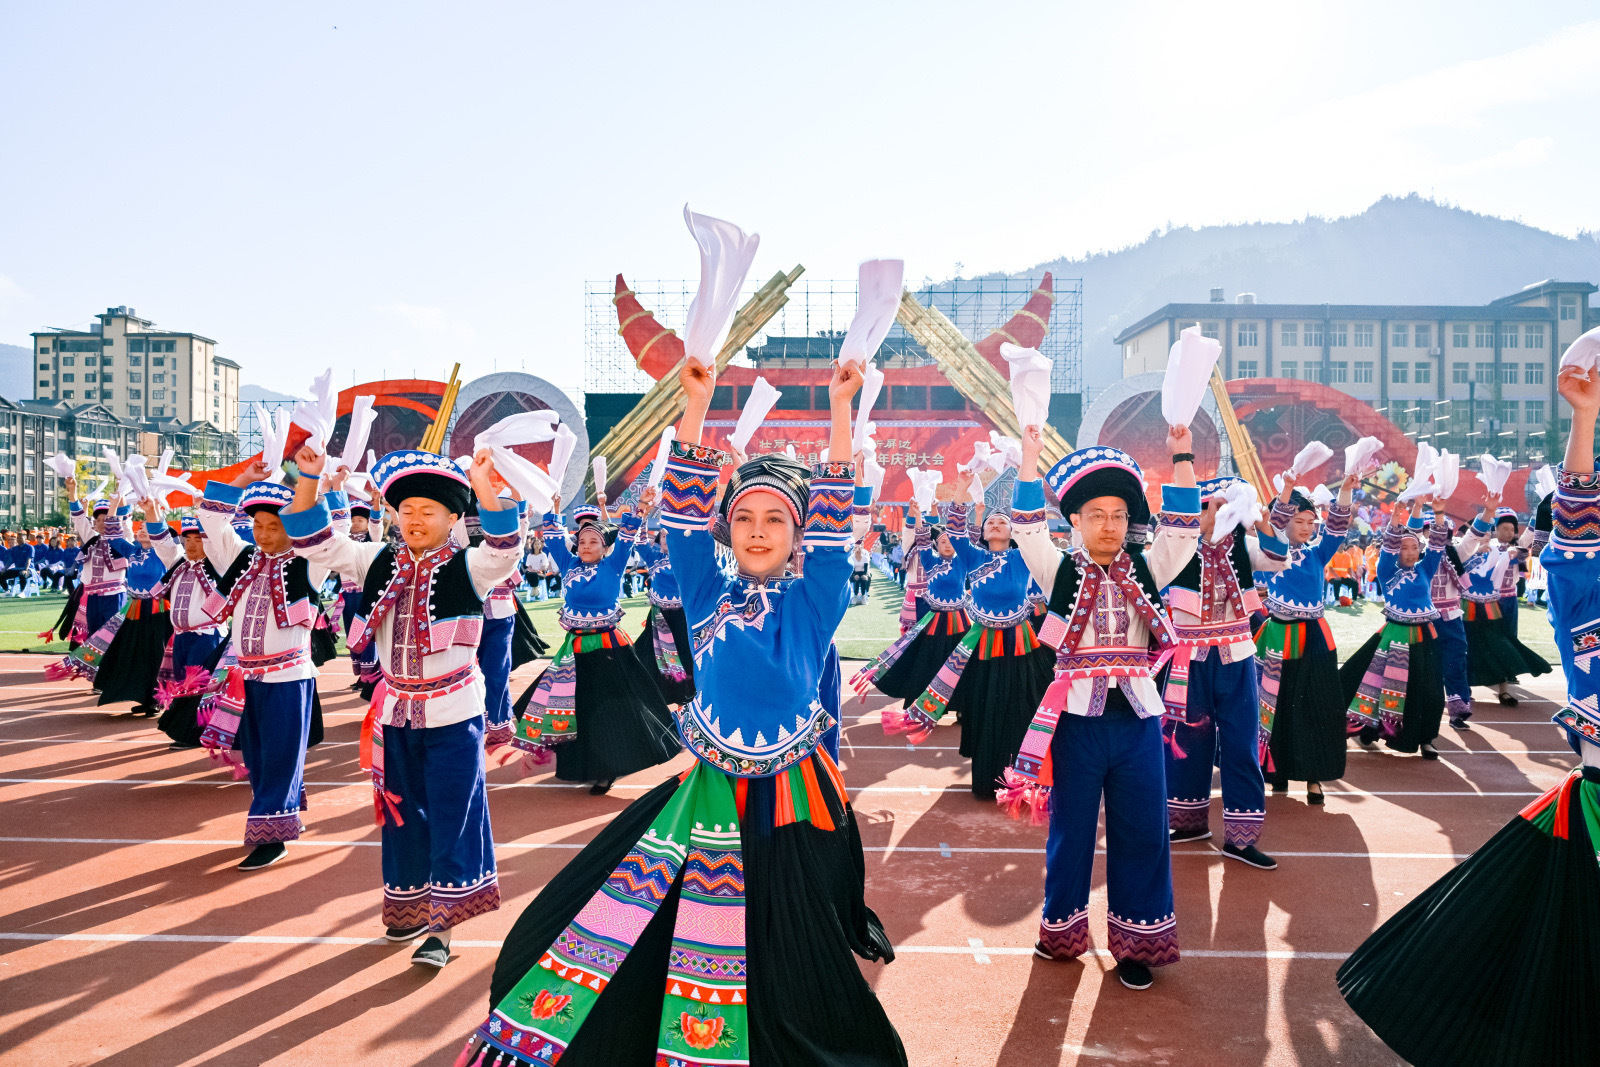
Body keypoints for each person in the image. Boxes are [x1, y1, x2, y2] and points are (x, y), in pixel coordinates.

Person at [454, 358, 907, 1067]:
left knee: (786, 943)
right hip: (704, 799)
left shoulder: (815, 601)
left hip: (793, 806)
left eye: (775, 521)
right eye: (745, 519)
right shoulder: (705, 590)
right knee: (622, 918)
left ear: (797, 536)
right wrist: (693, 407)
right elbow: (684, 520)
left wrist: (841, 412)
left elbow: (834, 525)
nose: (759, 532)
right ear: (731, 529)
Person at [1336, 360, 1600, 1067]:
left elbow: (1477, 545)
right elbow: (1573, 531)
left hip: (1435, 633)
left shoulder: (1442, 561)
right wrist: (1582, 419)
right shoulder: (1583, 600)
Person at [284, 444, 519, 968]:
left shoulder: (470, 567)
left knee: (453, 815)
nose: (414, 519)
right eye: (406, 510)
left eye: (427, 511)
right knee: (399, 815)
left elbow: (505, 548)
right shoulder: (375, 561)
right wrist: (309, 477)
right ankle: (407, 908)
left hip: (455, 714)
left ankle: (443, 926)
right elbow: (312, 541)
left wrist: (483, 484)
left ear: (454, 517)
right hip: (396, 714)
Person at [1002, 426, 1199, 991]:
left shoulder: (1148, 566)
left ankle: (1136, 946)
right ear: (1077, 523)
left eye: (1117, 514)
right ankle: (1060, 932)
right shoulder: (1059, 569)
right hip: (1077, 725)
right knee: (1071, 831)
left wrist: (1181, 452)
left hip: (1137, 720)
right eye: (1096, 514)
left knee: (1143, 831)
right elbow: (1025, 527)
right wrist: (1031, 455)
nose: (1108, 525)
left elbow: (1183, 532)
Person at [882, 468, 1057, 799]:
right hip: (982, 645)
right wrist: (961, 491)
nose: (994, 524)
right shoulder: (973, 558)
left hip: (1021, 644)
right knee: (986, 708)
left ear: (1013, 531)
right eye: (990, 522)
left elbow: (1040, 538)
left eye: (1002, 522)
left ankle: (1022, 777)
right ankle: (987, 778)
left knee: (1022, 708)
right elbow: (956, 533)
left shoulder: (1025, 558)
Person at [196, 459, 332, 871]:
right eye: (258, 526)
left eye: (274, 526)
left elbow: (331, 533)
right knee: (257, 757)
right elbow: (211, 521)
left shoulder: (310, 563)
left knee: (278, 756)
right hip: (246, 680)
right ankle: (276, 816)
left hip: (288, 678)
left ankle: (273, 835)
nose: (264, 534)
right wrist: (242, 481)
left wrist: (319, 484)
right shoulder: (240, 559)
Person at [507, 493, 679, 795]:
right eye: (582, 541)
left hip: (610, 650)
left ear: (605, 548)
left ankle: (607, 769)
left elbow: (626, 537)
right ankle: (580, 764)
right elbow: (555, 539)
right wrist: (555, 510)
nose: (586, 546)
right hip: (574, 652)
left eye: (593, 542)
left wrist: (640, 510)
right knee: (577, 708)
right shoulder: (568, 563)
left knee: (610, 710)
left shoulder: (613, 566)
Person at [1162, 477, 1289, 869]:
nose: (1213, 515)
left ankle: (1240, 839)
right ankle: (1188, 822)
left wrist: (1259, 522)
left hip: (1235, 653)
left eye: (1220, 507)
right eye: (1205, 507)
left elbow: (1277, 557)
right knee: (1186, 738)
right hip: (1190, 656)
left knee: (1240, 743)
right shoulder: (1175, 548)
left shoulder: (1243, 548)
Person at [1258, 472, 1356, 805]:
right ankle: (1278, 772)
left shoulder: (1316, 554)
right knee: (1277, 705)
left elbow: (1338, 529)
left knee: (1318, 704)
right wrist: (1286, 491)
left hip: (1315, 637)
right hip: (1277, 636)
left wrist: (1344, 489)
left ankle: (1315, 778)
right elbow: (1271, 525)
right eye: (1299, 520)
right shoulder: (1270, 554)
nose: (1306, 527)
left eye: (1311, 522)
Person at [1340, 497, 1451, 759]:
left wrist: (1437, 513)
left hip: (1425, 636)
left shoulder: (1425, 568)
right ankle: (1369, 729)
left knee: (1431, 691)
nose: (1411, 552)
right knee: (1380, 686)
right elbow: (1388, 547)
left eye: (1414, 547)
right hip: (1394, 636)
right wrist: (1396, 518)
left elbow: (1437, 544)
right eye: (1405, 548)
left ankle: (1426, 739)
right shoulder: (1387, 570)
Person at [851, 495, 971, 713]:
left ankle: (958, 703)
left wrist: (934, 510)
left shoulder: (955, 559)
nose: (944, 541)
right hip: (921, 604)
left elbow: (956, 536)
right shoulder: (918, 551)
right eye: (941, 539)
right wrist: (914, 515)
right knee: (918, 649)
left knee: (958, 658)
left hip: (952, 614)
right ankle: (916, 694)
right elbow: (915, 534)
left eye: (947, 539)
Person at [1455, 494, 1551, 706]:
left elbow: (1529, 539)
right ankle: (1466, 686)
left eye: (1511, 529)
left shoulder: (1514, 548)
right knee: (1469, 643)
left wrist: (1542, 510)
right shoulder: (1472, 549)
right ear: (1494, 529)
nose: (1509, 532)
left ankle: (1504, 686)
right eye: (1504, 528)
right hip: (1474, 604)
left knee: (1504, 642)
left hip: (1503, 602)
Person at [149, 515, 229, 750]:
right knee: (183, 684)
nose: (192, 544)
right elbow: (163, 543)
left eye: (199, 539)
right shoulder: (178, 564)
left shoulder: (218, 565)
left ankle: (193, 733)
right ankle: (187, 730)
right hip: (181, 636)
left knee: (199, 687)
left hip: (207, 635)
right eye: (188, 539)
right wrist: (152, 511)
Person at [92, 501, 175, 717]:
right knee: (136, 654)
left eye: (148, 528)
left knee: (156, 655)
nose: (142, 531)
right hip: (135, 609)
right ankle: (143, 697)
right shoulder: (132, 551)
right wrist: (114, 503)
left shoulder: (164, 553)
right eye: (140, 528)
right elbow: (111, 535)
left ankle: (157, 699)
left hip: (158, 611)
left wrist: (154, 513)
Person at [623, 496, 696, 707]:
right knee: (649, 658)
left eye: (669, 535)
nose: (665, 539)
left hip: (681, 617)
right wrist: (643, 516)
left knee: (685, 658)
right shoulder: (653, 557)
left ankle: (687, 702)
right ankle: (652, 700)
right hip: (658, 616)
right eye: (662, 535)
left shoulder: (686, 559)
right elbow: (639, 540)